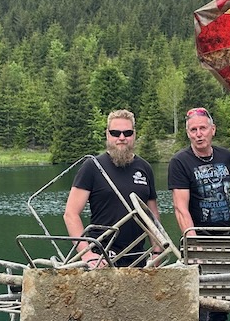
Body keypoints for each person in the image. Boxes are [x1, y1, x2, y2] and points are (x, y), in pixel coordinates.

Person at [168, 106, 230, 321]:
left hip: (226, 238)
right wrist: (193, 243)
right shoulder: (180, 162)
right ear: (187, 133)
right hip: (198, 239)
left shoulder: (226, 157)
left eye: (203, 128)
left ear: (213, 130)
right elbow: (180, 208)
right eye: (193, 130)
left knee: (222, 301)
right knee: (199, 300)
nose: (198, 134)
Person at [62, 109, 161, 268]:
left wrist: (156, 252)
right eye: (116, 133)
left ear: (134, 135)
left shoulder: (145, 168)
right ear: (108, 135)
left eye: (127, 133)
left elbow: (152, 216)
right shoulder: (92, 166)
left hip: (138, 257)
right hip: (102, 257)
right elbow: (70, 214)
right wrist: (86, 254)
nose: (121, 138)